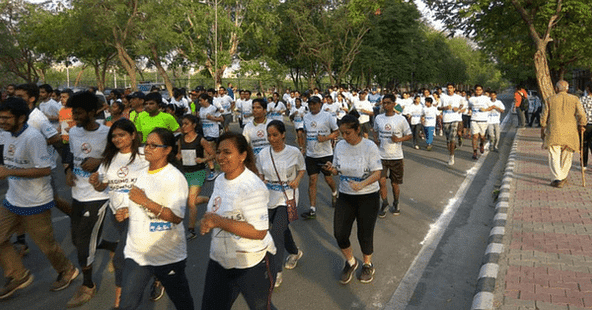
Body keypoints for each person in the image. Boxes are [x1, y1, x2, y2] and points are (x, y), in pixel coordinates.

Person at [0, 97, 78, 300]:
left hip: (36, 201)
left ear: (21, 118)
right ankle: (18, 275)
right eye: (0, 118)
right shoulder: (8, 135)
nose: (2, 122)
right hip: (12, 199)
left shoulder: (33, 137)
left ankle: (67, 270)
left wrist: (8, 171)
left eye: (7, 118)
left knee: (47, 245)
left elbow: (45, 169)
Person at [200, 132, 277, 310]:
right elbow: (219, 211)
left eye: (227, 152)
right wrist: (208, 220)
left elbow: (259, 232)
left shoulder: (252, 187)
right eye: (218, 152)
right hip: (220, 259)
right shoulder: (220, 179)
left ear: (242, 155)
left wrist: (219, 222)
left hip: (250, 263)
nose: (220, 157)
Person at [118, 128, 194, 310]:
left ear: (167, 150)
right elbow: (141, 205)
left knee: (182, 303)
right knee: (127, 304)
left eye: (154, 145)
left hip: (167, 255)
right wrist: (128, 211)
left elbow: (176, 217)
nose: (147, 149)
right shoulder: (143, 173)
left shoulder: (174, 178)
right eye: (146, 144)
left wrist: (145, 201)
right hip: (137, 254)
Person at [88, 119, 148, 309]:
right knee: (135, 254)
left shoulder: (144, 156)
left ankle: (120, 301)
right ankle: (158, 277)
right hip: (117, 216)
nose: (116, 139)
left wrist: (133, 208)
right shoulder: (109, 159)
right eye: (113, 136)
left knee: (121, 258)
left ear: (133, 135)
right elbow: (103, 187)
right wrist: (96, 183)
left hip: (140, 214)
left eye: (121, 134)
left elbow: (156, 185)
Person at [323, 115, 382, 284]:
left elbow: (377, 172)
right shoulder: (340, 146)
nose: (344, 137)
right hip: (346, 195)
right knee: (340, 233)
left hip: (368, 196)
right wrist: (331, 169)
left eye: (348, 133)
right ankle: (351, 262)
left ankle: (367, 264)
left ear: (358, 130)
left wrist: (362, 184)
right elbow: (337, 170)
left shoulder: (369, 146)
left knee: (364, 233)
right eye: (342, 133)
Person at [65, 91, 111, 307]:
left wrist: (99, 161)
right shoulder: (73, 132)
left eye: (80, 112)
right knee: (77, 240)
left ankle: (88, 285)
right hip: (78, 194)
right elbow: (71, 153)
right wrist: (67, 170)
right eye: (74, 111)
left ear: (93, 112)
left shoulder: (107, 133)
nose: (75, 116)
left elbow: (121, 156)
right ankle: (115, 247)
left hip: (98, 195)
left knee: (83, 243)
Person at [256, 120, 305, 288]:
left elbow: (302, 169)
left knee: (276, 232)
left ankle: (275, 272)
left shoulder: (294, 152)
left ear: (283, 135)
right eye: (269, 135)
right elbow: (261, 175)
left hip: (287, 197)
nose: (271, 138)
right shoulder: (263, 153)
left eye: (275, 135)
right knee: (280, 228)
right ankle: (295, 252)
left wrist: (297, 180)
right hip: (269, 197)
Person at [540, 80, 587, 188]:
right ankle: (562, 176)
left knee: (554, 156)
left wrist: (543, 128)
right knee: (567, 156)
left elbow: (543, 118)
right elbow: (582, 115)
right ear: (567, 88)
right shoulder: (575, 99)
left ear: (556, 89)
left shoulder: (550, 100)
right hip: (570, 132)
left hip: (554, 131)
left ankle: (557, 179)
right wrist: (582, 125)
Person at [374, 94, 412, 217]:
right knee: (381, 182)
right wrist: (376, 140)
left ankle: (396, 202)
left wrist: (399, 139)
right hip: (381, 156)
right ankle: (384, 203)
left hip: (396, 157)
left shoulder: (401, 119)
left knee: (395, 184)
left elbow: (409, 135)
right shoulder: (379, 118)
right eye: (383, 103)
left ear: (394, 104)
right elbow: (374, 131)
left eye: (388, 103)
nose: (385, 105)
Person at [301, 96, 339, 219]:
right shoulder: (306, 117)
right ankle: (312, 209)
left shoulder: (328, 116)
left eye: (314, 104)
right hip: (311, 155)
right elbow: (305, 132)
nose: (312, 106)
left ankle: (334, 192)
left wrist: (326, 138)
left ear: (320, 104)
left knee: (328, 179)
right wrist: (304, 147)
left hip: (325, 154)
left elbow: (337, 131)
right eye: (310, 104)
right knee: (312, 180)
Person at [176, 114, 213, 240]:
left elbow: (213, 154)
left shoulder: (200, 140)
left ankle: (191, 230)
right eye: (183, 124)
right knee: (192, 199)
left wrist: (203, 159)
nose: (184, 126)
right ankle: (209, 199)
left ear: (194, 125)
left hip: (198, 172)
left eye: (187, 123)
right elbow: (178, 154)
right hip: (185, 172)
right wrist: (178, 157)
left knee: (191, 202)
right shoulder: (180, 139)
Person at [198, 93, 224, 181]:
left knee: (207, 153)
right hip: (205, 132)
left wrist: (212, 118)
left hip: (213, 133)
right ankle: (219, 167)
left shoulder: (213, 108)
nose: (199, 102)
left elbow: (221, 119)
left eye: (201, 100)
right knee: (212, 153)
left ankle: (214, 171)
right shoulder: (201, 109)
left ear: (206, 100)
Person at [439, 83, 465, 165]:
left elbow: (462, 105)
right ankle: (450, 152)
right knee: (448, 140)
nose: (449, 89)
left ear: (454, 88)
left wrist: (458, 108)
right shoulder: (443, 97)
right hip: (446, 119)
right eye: (448, 88)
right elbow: (438, 107)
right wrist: (445, 108)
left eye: (451, 88)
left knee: (452, 137)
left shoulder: (458, 97)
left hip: (455, 119)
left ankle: (452, 156)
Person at [468, 85, 490, 160]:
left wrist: (485, 110)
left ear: (482, 90)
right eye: (477, 90)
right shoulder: (471, 99)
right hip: (474, 119)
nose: (478, 91)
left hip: (483, 120)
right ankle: (474, 152)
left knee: (482, 136)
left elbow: (491, 107)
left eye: (480, 90)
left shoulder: (486, 98)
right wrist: (470, 111)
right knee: (475, 136)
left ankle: (481, 144)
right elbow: (470, 107)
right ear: (474, 90)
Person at [581, 85, 592, 169]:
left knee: (584, 145)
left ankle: (584, 164)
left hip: (585, 125)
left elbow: (579, 112)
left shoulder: (582, 99)